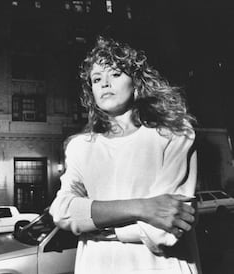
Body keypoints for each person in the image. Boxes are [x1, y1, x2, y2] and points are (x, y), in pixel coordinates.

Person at [49, 36, 200, 274]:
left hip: (159, 266)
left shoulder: (174, 134)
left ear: (136, 82)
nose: (105, 84)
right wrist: (142, 208)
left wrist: (92, 224)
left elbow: (166, 231)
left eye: (115, 74)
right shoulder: (80, 147)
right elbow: (62, 211)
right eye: (97, 79)